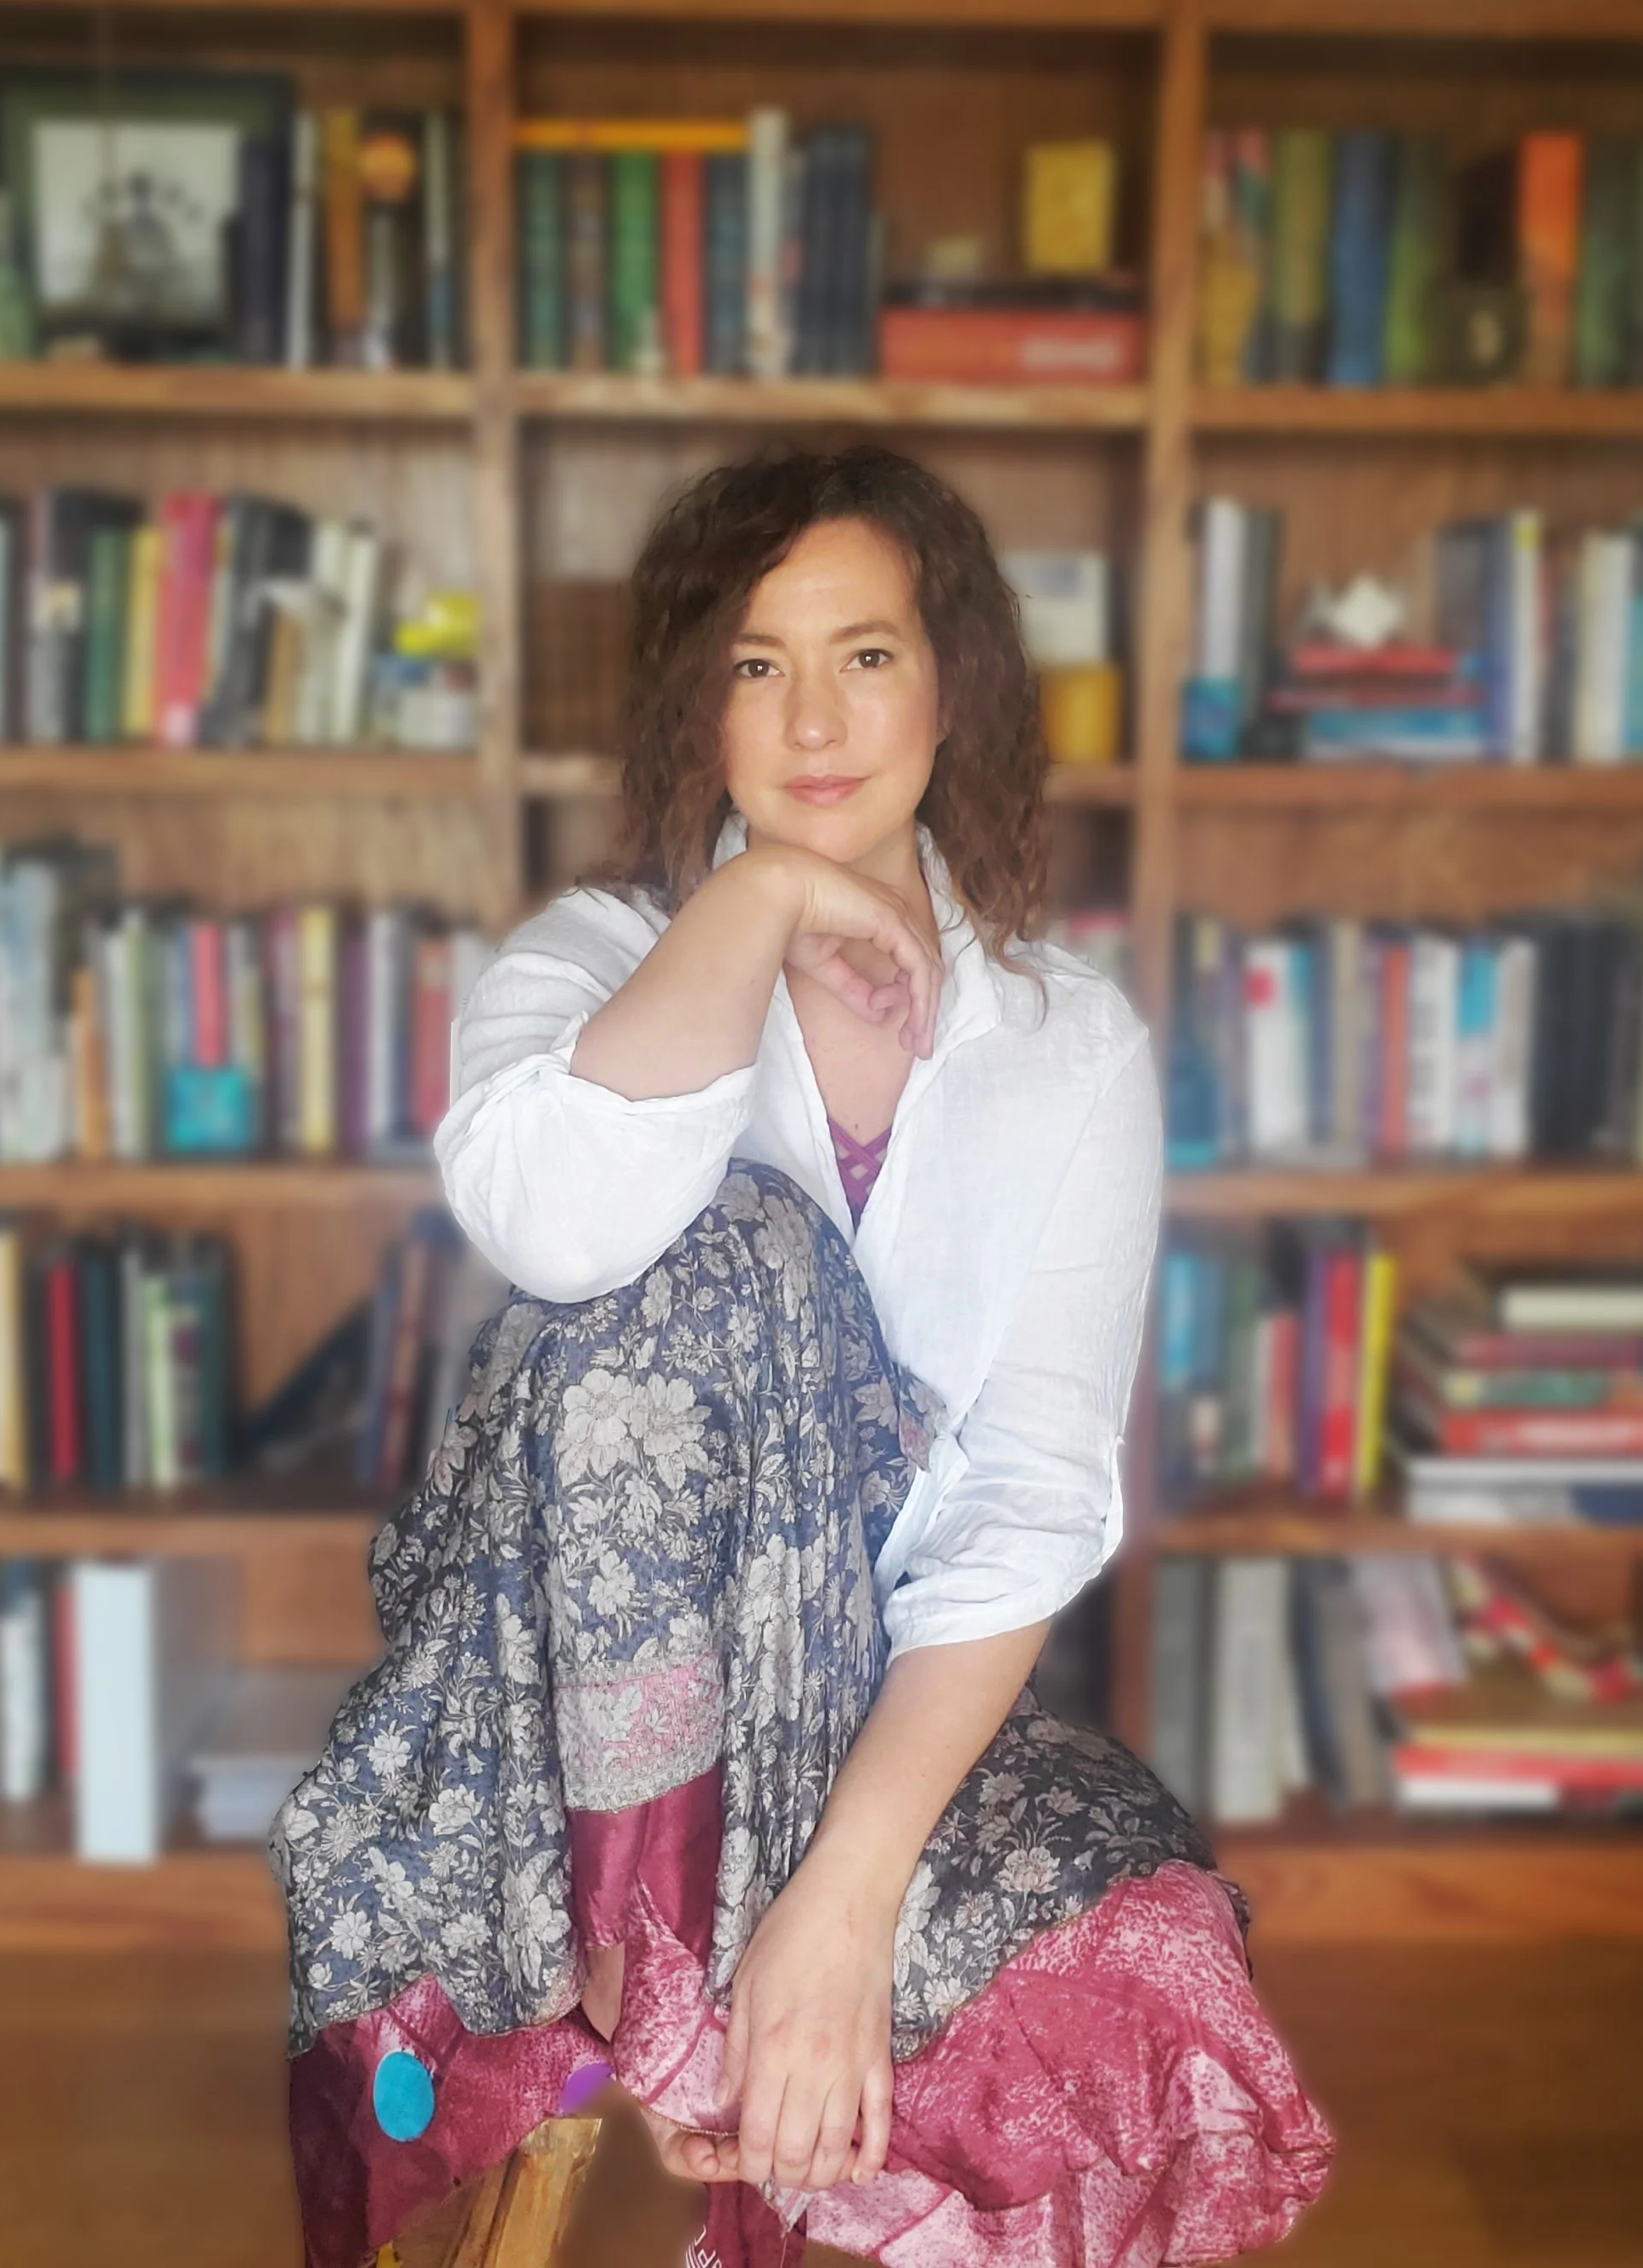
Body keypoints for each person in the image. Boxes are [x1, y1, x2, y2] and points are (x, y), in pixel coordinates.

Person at [272, 447, 1332, 2268]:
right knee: (721, 1248)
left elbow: (1028, 1494)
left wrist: (841, 1902)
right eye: (757, 663)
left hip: (857, 1716)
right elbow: (560, 1233)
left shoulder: (1071, 1046)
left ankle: (744, 1966)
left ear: (953, 682)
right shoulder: (587, 963)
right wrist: (758, 907)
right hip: (554, 1727)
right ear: (700, 702)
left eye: (866, 652)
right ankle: (653, 1964)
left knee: (1150, 1962)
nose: (815, 715)